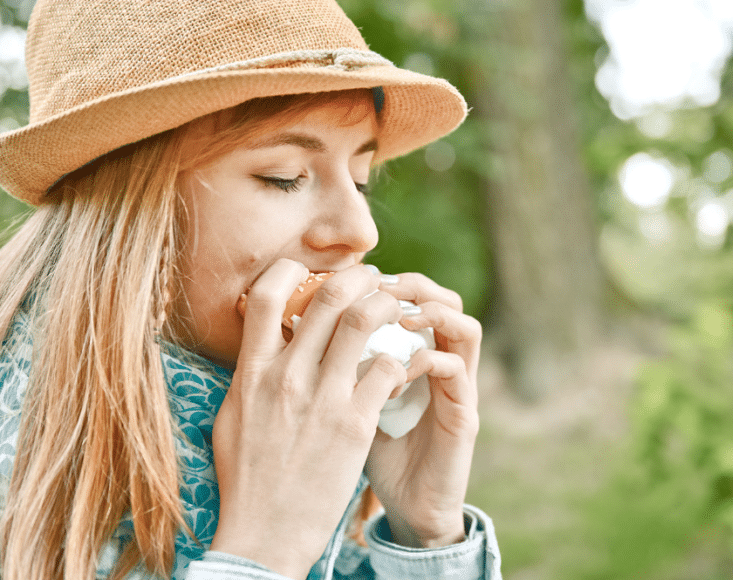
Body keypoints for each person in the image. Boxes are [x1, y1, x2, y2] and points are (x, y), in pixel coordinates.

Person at [0, 0, 502, 579]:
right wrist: (263, 552)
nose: (362, 231)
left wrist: (427, 537)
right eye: (284, 177)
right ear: (132, 213)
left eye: (360, 181)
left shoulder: (321, 437)